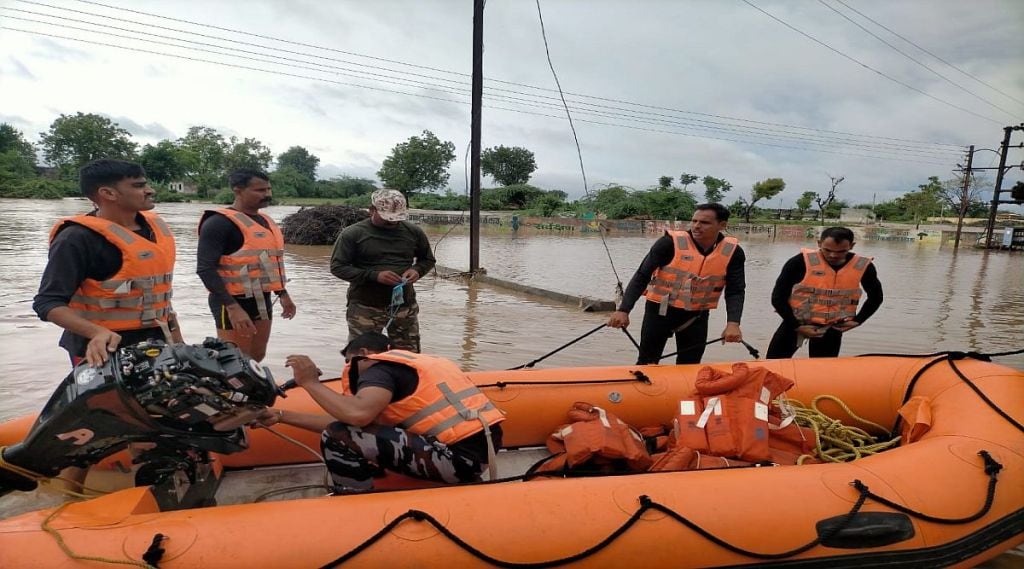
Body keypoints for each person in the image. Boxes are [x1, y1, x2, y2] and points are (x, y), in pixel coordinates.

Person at [255, 332, 505, 492]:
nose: (351, 373)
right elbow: (353, 421)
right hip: (482, 454)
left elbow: (355, 418)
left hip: (458, 462)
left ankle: (354, 498)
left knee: (335, 436)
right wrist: (280, 416)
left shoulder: (379, 368)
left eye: (350, 363)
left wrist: (310, 383)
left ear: (364, 355)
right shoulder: (417, 365)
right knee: (344, 430)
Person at [33, 159, 183, 368]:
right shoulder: (76, 238)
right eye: (139, 186)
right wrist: (96, 332)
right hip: (102, 350)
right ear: (108, 194)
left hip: (158, 342)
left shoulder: (155, 229)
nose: (150, 190)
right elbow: (47, 303)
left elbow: (152, 292)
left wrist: (177, 339)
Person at [606, 203, 745, 364]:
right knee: (647, 361)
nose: (696, 226)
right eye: (694, 221)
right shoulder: (669, 243)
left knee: (690, 364)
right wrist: (624, 310)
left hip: (696, 316)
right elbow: (641, 276)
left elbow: (735, 290)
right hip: (659, 312)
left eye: (704, 223)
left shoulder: (733, 252)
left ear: (722, 225)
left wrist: (733, 323)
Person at [197, 169, 296, 361]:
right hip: (231, 301)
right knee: (235, 360)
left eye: (268, 189)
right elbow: (205, 269)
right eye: (259, 190)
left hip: (261, 298)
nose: (267, 194)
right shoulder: (218, 223)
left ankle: (253, 390)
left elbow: (269, 264)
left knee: (257, 355)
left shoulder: (265, 221)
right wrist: (233, 308)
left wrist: (282, 294)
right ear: (238, 190)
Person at [330, 189, 435, 352]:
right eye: (387, 218)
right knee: (363, 357)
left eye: (396, 218)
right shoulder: (353, 234)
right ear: (371, 210)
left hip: (404, 307)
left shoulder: (413, 232)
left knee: (408, 357)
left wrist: (417, 270)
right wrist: (374, 276)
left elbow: (427, 259)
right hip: (365, 307)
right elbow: (338, 267)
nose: (392, 222)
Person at [766, 227, 883, 359]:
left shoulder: (863, 266)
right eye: (827, 250)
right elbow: (778, 298)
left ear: (851, 246)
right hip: (795, 323)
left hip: (832, 328)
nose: (833, 255)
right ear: (819, 243)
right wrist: (797, 326)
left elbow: (876, 297)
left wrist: (858, 320)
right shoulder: (799, 262)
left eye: (841, 251)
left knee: (822, 372)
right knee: (773, 365)